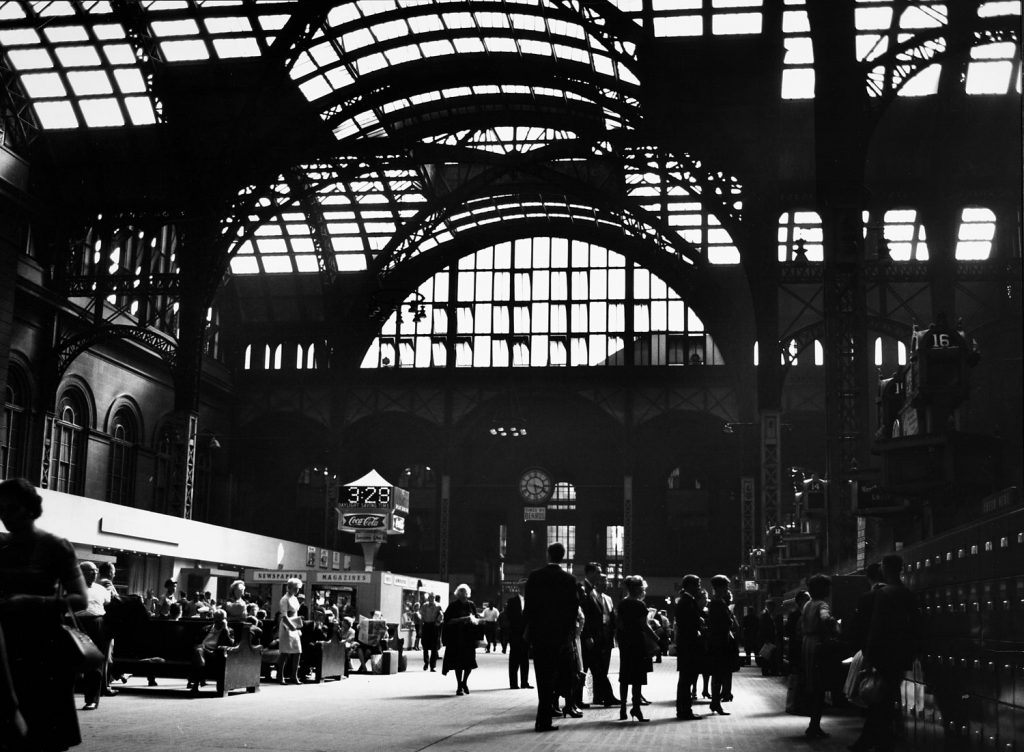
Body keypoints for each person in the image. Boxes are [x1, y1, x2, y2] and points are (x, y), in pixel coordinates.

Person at [0, 477, 89, 752]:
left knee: (45, 729)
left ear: (29, 508)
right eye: (0, 510)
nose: (5, 517)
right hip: (4, 646)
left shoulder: (54, 546)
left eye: (11, 509)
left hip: (43, 647)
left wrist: (32, 601)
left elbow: (80, 598)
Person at [861, 554, 920, 752]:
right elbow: (915, 625)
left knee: (881, 699)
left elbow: (876, 628)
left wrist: (869, 656)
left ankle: (882, 742)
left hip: (884, 653)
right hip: (902, 653)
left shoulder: (883, 594)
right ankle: (880, 740)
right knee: (890, 696)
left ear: (886, 569)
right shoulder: (907, 593)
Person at [524, 542, 578, 733]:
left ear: (547, 554)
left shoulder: (535, 576)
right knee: (554, 677)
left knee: (542, 677)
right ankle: (544, 719)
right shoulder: (569, 580)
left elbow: (528, 608)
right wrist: (567, 634)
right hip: (559, 637)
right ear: (563, 556)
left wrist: (530, 631)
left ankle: (543, 719)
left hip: (540, 636)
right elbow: (573, 611)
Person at [614, 574, 658, 723]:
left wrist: (621, 639)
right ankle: (636, 708)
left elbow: (618, 624)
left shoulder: (622, 604)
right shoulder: (640, 605)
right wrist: (656, 639)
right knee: (637, 677)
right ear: (639, 589)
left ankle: (622, 708)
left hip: (626, 643)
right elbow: (644, 626)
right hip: (638, 642)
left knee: (625, 675)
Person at [801, 573, 838, 738]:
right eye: (827, 587)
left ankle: (813, 724)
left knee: (812, 684)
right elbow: (825, 618)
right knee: (819, 685)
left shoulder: (807, 604)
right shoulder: (822, 604)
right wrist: (835, 625)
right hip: (818, 646)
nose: (829, 590)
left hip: (807, 644)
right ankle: (814, 725)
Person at [75, 561, 112, 710]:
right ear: (81, 572)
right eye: (90, 571)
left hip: (97, 624)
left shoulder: (102, 589)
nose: (95, 573)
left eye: (96, 570)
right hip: (77, 622)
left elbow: (108, 604)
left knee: (96, 662)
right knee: (72, 660)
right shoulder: (73, 586)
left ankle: (92, 699)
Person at [580, 563, 616, 707]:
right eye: (599, 573)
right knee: (591, 669)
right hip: (590, 637)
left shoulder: (595, 593)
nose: (600, 576)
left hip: (599, 637)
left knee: (596, 669)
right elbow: (585, 616)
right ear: (591, 572)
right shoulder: (584, 590)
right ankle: (605, 697)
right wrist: (588, 635)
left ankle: (603, 696)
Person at [674, 573, 703, 720]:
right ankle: (684, 710)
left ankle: (684, 709)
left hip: (686, 645)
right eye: (697, 584)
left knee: (686, 679)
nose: (699, 587)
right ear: (690, 586)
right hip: (689, 645)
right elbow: (689, 624)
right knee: (687, 679)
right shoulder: (687, 602)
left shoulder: (686, 600)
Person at [706, 574, 737, 715]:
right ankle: (716, 703)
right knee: (719, 673)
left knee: (717, 674)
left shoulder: (714, 603)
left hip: (716, 641)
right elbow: (726, 624)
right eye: (725, 586)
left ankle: (715, 702)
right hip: (720, 642)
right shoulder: (718, 604)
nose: (727, 589)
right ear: (719, 587)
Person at [440, 584, 479, 695]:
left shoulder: (471, 605)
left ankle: (464, 682)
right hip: (457, 638)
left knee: (469, 663)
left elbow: (476, 619)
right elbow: (448, 621)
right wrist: (463, 619)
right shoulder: (453, 606)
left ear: (468, 593)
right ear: (457, 593)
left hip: (469, 638)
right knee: (458, 664)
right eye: (460, 592)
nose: (463, 594)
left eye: (464, 592)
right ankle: (459, 686)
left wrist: (475, 621)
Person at [189, 608, 235, 692]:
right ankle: (201, 671)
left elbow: (231, 644)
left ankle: (197, 682)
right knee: (198, 650)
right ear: (214, 619)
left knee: (198, 653)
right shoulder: (206, 628)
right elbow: (197, 641)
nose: (219, 623)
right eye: (217, 621)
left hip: (215, 653)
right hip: (203, 650)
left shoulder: (229, 630)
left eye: (221, 620)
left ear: (225, 620)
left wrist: (225, 629)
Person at [503, 583, 531, 690]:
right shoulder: (512, 601)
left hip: (526, 634)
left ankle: (524, 682)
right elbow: (508, 617)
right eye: (524, 588)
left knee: (525, 659)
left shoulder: (530, 601)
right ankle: (513, 683)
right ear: (520, 589)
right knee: (514, 659)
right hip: (515, 634)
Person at [277, 578, 303, 684]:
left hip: (294, 626)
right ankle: (280, 676)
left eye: (298, 588)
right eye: (295, 588)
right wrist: (291, 626)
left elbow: (295, 613)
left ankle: (294, 676)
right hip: (286, 627)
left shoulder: (295, 599)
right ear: (289, 588)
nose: (297, 590)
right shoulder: (284, 599)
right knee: (284, 653)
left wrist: (296, 626)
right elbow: (284, 616)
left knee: (298, 651)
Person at [420, 593, 443, 671]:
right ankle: (426, 663)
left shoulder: (438, 606)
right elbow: (421, 616)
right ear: (428, 598)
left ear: (434, 598)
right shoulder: (424, 605)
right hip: (426, 626)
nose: (431, 599)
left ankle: (433, 666)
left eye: (432, 597)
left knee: (434, 646)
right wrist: (421, 626)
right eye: (430, 597)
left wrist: (438, 622)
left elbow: (441, 615)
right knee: (425, 645)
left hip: (434, 626)